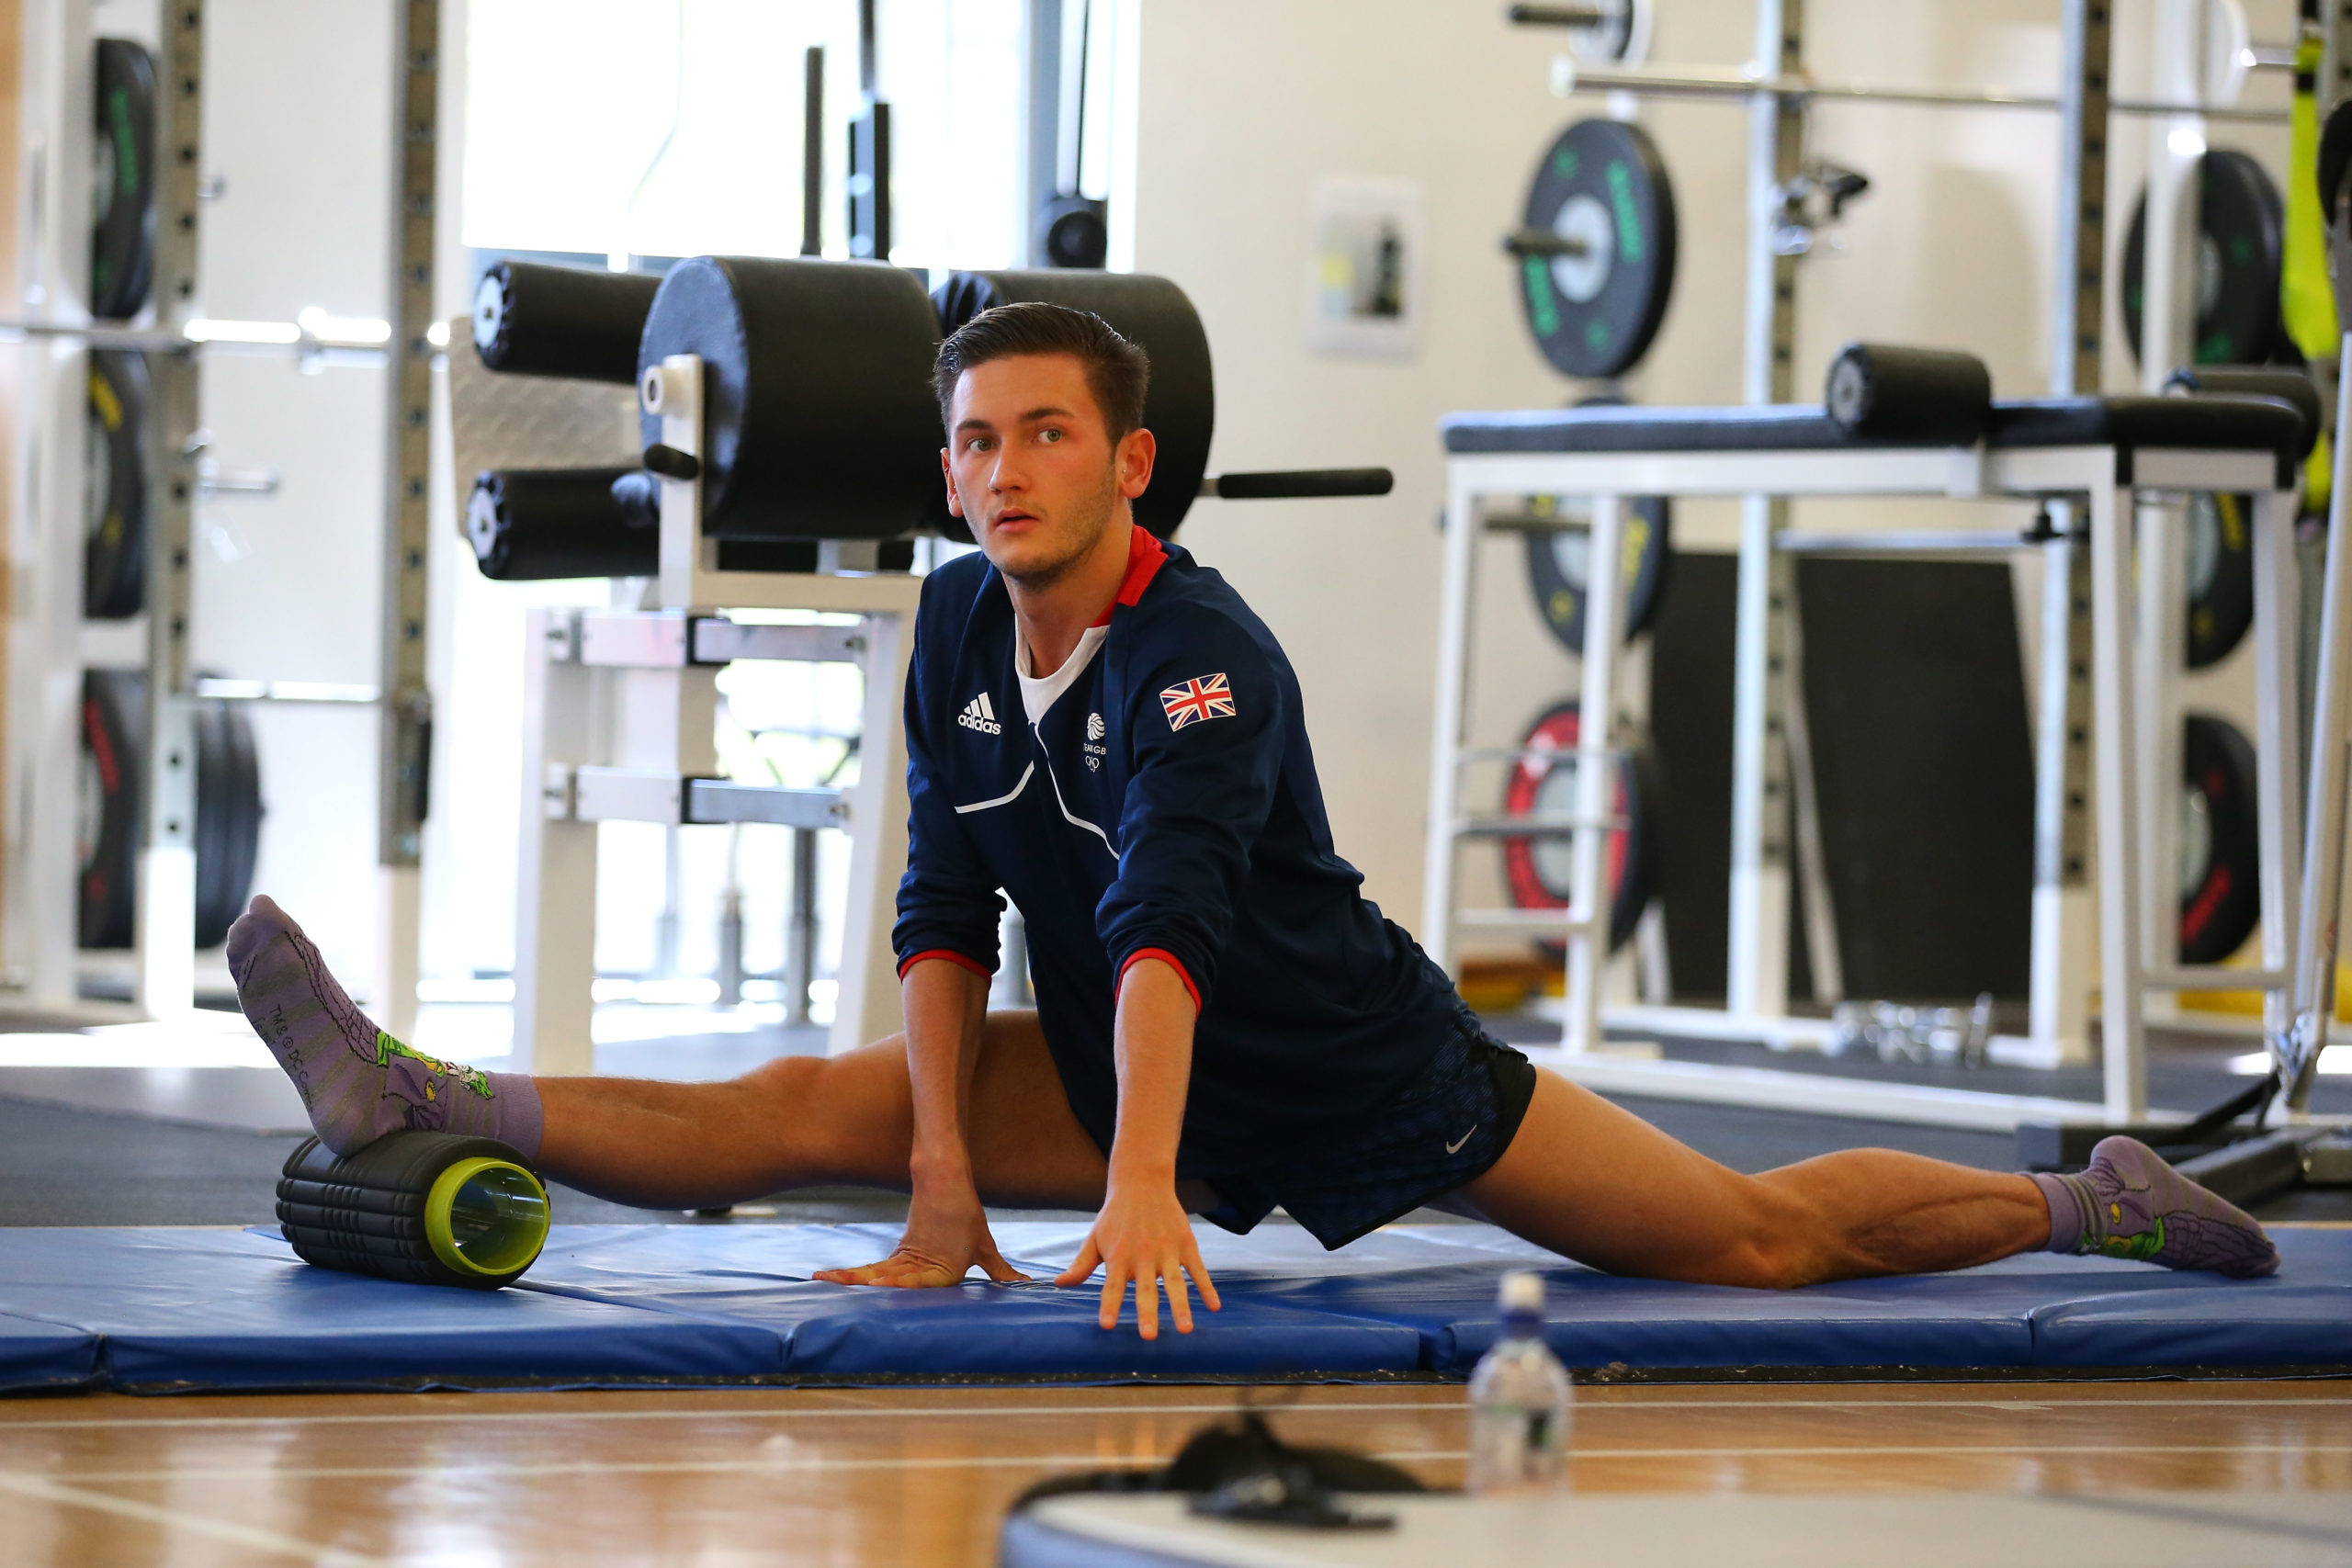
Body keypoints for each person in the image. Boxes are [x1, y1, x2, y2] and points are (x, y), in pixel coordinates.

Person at [225, 302, 2279, 1341]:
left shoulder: (1197, 650)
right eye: (974, 440)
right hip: (1137, 1066)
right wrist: (947, 1184)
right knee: (788, 1106)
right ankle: (426, 1090)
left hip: (1346, 1061)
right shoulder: (952, 622)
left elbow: (1166, 922)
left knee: (1752, 1238)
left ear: (1128, 461)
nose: (1005, 466)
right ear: (945, 479)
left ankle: (2069, 1196)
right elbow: (944, 912)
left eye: (1046, 433)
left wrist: (1136, 1191)